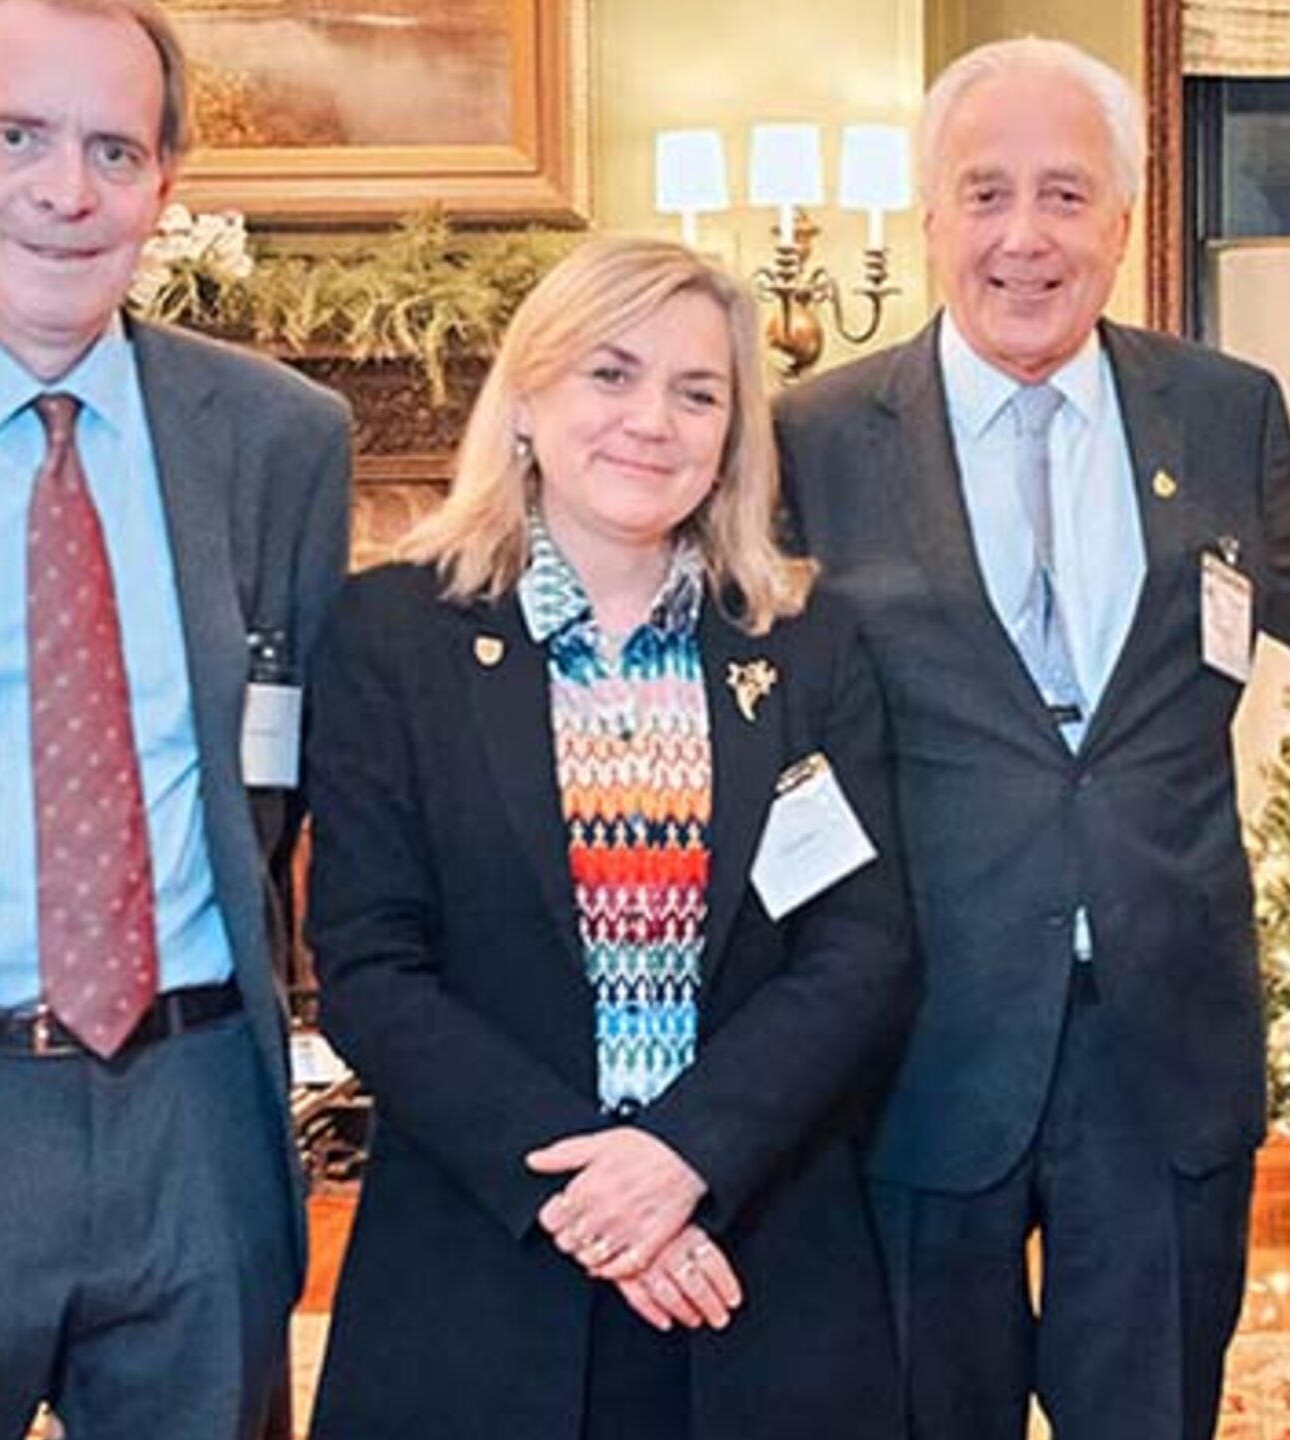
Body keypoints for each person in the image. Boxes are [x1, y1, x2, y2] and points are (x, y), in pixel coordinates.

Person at [774, 36, 1290, 1440]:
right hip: (914, 1036)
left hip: (1162, 1032)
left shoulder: (1222, 407)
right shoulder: (812, 435)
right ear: (931, 217)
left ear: (1123, 223)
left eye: (1065, 195)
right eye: (987, 193)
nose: (1025, 236)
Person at [0, 0, 350, 1432]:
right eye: (18, 137)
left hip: (198, 1126)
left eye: (114, 150)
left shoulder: (281, 440)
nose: (67, 191)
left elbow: (298, 773)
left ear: (165, 183)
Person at [302, 236, 911, 1440]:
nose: (652, 422)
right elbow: (371, 965)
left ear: (733, 434)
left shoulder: (804, 642)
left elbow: (860, 948)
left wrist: (684, 1157)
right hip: (487, 1257)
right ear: (527, 398)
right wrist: (594, 1190)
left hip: (751, 1254)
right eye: (610, 374)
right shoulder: (391, 636)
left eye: (697, 393)